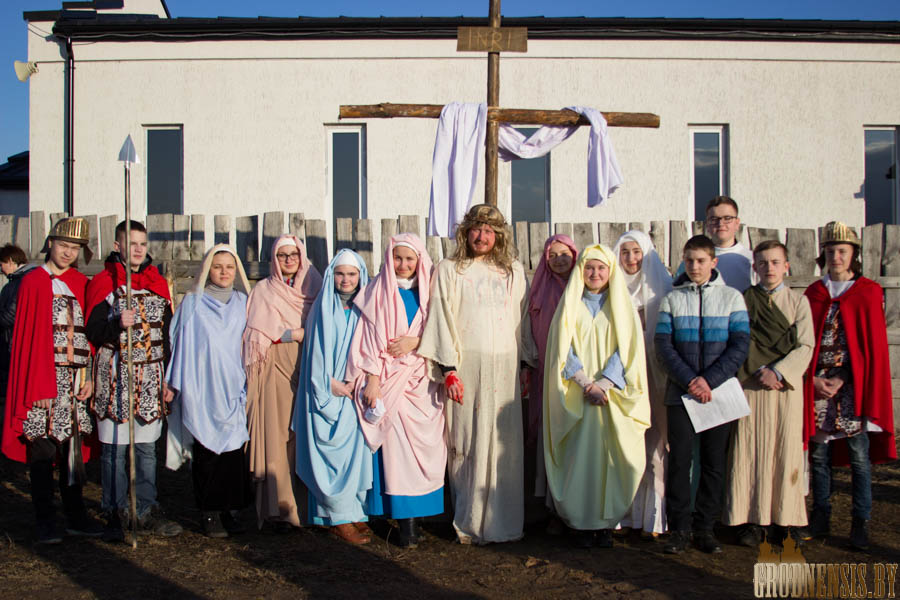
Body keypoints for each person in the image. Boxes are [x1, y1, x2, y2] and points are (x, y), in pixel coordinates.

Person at [418, 203, 532, 545]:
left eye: (489, 231)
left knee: (504, 445)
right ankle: (469, 522)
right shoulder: (451, 269)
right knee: (467, 442)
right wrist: (449, 369)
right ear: (466, 232)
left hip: (506, 367)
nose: (482, 237)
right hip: (467, 365)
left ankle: (503, 523)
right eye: (476, 229)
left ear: (499, 236)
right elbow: (441, 315)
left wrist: (525, 364)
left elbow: (523, 318)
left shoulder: (512, 269)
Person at [1, 218, 103, 544]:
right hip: (42, 380)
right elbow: (28, 340)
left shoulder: (80, 283)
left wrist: (89, 378)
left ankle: (76, 517)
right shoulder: (32, 282)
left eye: (74, 248)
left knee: (73, 454)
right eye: (63, 246)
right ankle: (45, 520)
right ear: (50, 243)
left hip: (74, 381)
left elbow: (88, 335)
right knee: (43, 453)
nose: (68, 252)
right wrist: (38, 385)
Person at [543, 244, 650, 548]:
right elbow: (563, 349)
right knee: (580, 458)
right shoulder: (570, 305)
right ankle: (579, 523)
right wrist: (585, 383)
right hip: (579, 395)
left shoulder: (620, 306)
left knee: (609, 458)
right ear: (581, 270)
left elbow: (627, 348)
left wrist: (604, 383)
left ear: (610, 271)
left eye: (601, 268)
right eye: (589, 267)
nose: (595, 273)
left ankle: (604, 525)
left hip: (609, 396)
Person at [346, 233, 444, 548]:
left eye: (409, 259)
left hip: (422, 380)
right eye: (398, 258)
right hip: (389, 380)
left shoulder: (432, 293)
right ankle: (405, 523)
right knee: (397, 453)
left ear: (420, 261)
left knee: (426, 449)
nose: (403, 265)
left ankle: (421, 514)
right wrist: (372, 379)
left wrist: (416, 342)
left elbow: (443, 331)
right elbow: (367, 337)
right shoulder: (376, 291)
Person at [85, 220, 181, 542]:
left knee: (146, 449)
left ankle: (146, 509)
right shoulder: (103, 284)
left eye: (142, 243)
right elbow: (94, 333)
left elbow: (166, 339)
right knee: (114, 449)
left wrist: (168, 378)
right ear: (118, 246)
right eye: (132, 243)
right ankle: (115, 511)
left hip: (151, 377)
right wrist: (116, 323)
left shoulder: (156, 283)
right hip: (115, 376)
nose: (139, 249)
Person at [803, 222, 896, 551]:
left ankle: (860, 523)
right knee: (819, 456)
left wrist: (844, 377)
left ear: (854, 255)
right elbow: (804, 342)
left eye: (842, 251)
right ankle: (821, 515)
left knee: (859, 457)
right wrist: (813, 380)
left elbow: (870, 349)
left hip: (853, 387)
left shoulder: (868, 291)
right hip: (818, 385)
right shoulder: (814, 293)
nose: (836, 257)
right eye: (830, 251)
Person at [655, 234, 750, 555]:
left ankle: (705, 528)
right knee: (680, 462)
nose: (694, 267)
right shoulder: (672, 299)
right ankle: (679, 529)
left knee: (713, 463)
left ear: (714, 262)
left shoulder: (732, 298)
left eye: (700, 261)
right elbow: (663, 347)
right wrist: (689, 381)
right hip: (680, 394)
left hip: (718, 393)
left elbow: (739, 346)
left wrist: (709, 380)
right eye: (689, 260)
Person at [723, 240, 814, 547]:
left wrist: (778, 371)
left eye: (775, 262)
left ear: (786, 266)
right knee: (747, 450)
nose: (769, 268)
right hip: (751, 385)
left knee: (785, 451)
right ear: (755, 268)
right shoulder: (745, 299)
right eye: (763, 263)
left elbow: (806, 345)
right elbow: (737, 338)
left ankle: (784, 520)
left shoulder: (799, 302)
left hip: (784, 389)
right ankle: (749, 520)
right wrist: (758, 369)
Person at [165, 245, 253, 538]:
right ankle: (209, 512)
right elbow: (178, 342)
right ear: (207, 269)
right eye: (218, 267)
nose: (224, 272)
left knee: (231, 452)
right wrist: (173, 382)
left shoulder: (244, 302)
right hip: (202, 385)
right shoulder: (193, 303)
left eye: (229, 266)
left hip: (233, 384)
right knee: (207, 451)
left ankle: (230, 508)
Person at [294, 249, 377, 545]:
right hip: (329, 392)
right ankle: (335, 517)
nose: (346, 280)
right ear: (332, 276)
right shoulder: (323, 308)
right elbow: (314, 355)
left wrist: (362, 379)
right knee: (331, 457)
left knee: (354, 455)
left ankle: (351, 511)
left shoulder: (364, 308)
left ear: (360, 277)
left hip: (354, 392)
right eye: (340, 274)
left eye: (352, 274)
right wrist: (328, 385)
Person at [243, 235, 322, 532]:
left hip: (310, 365)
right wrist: (294, 334)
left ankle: (305, 507)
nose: (289, 260)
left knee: (303, 438)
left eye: (293, 254)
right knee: (276, 437)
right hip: (276, 366)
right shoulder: (264, 290)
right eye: (282, 255)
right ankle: (277, 510)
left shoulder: (316, 285)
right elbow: (258, 331)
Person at [613, 230, 673, 538]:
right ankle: (623, 513)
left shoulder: (661, 290)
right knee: (625, 444)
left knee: (656, 447)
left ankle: (653, 517)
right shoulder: (612, 290)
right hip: (622, 378)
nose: (631, 258)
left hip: (657, 377)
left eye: (637, 252)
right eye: (625, 252)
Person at [524, 234, 577, 524]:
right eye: (552, 255)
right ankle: (551, 508)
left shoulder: (583, 288)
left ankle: (574, 502)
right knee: (550, 436)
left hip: (578, 376)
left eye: (564, 254)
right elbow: (529, 329)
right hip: (545, 372)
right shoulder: (539, 289)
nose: (558, 260)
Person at [676, 196, 754, 292]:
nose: (720, 223)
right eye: (714, 219)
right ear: (707, 224)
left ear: (737, 223)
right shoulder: (691, 261)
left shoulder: (751, 260)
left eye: (727, 218)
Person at [0, 244, 36, 398]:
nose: (1, 269)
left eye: (1, 264)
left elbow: (11, 315)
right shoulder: (17, 281)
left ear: (9, 261)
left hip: (15, 345)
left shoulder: (23, 281)